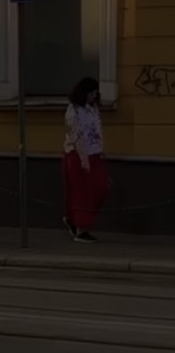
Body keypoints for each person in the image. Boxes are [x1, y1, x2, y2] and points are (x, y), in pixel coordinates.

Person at [63, 76, 109, 243]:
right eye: (91, 94)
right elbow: (76, 135)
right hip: (78, 155)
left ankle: (75, 220)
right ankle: (81, 229)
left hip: (94, 154)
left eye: (95, 94)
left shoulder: (93, 108)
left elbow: (97, 129)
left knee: (101, 188)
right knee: (83, 192)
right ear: (82, 93)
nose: (93, 97)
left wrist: (102, 148)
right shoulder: (73, 110)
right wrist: (83, 159)